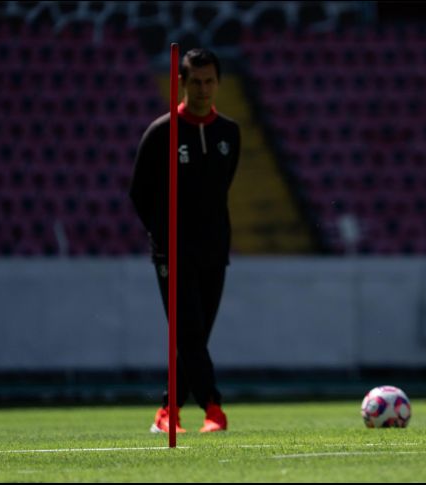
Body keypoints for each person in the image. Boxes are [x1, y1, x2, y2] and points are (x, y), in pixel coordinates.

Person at [129, 48, 240, 434]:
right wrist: (162, 235)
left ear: (218, 82)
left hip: (214, 251)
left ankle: (167, 411)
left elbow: (222, 187)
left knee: (195, 336)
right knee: (190, 332)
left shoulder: (230, 132)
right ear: (182, 82)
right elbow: (139, 192)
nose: (204, 89)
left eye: (210, 81)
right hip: (172, 251)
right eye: (196, 81)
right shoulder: (162, 132)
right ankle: (214, 408)